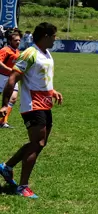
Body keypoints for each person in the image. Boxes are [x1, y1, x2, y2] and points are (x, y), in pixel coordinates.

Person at [0, 23, 63, 199]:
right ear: (45, 36)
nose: (55, 39)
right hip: (32, 104)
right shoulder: (30, 53)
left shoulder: (46, 53)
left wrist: (52, 91)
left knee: (40, 143)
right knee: (37, 143)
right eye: (54, 36)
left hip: (44, 103)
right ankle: (22, 187)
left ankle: (7, 167)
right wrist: (5, 104)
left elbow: (40, 78)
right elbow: (12, 78)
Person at [0, 32, 22, 128]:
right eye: (15, 40)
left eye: (19, 40)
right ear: (10, 41)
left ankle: (3, 122)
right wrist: (9, 69)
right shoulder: (5, 50)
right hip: (2, 76)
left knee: (12, 99)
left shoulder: (17, 51)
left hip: (12, 77)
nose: (18, 42)